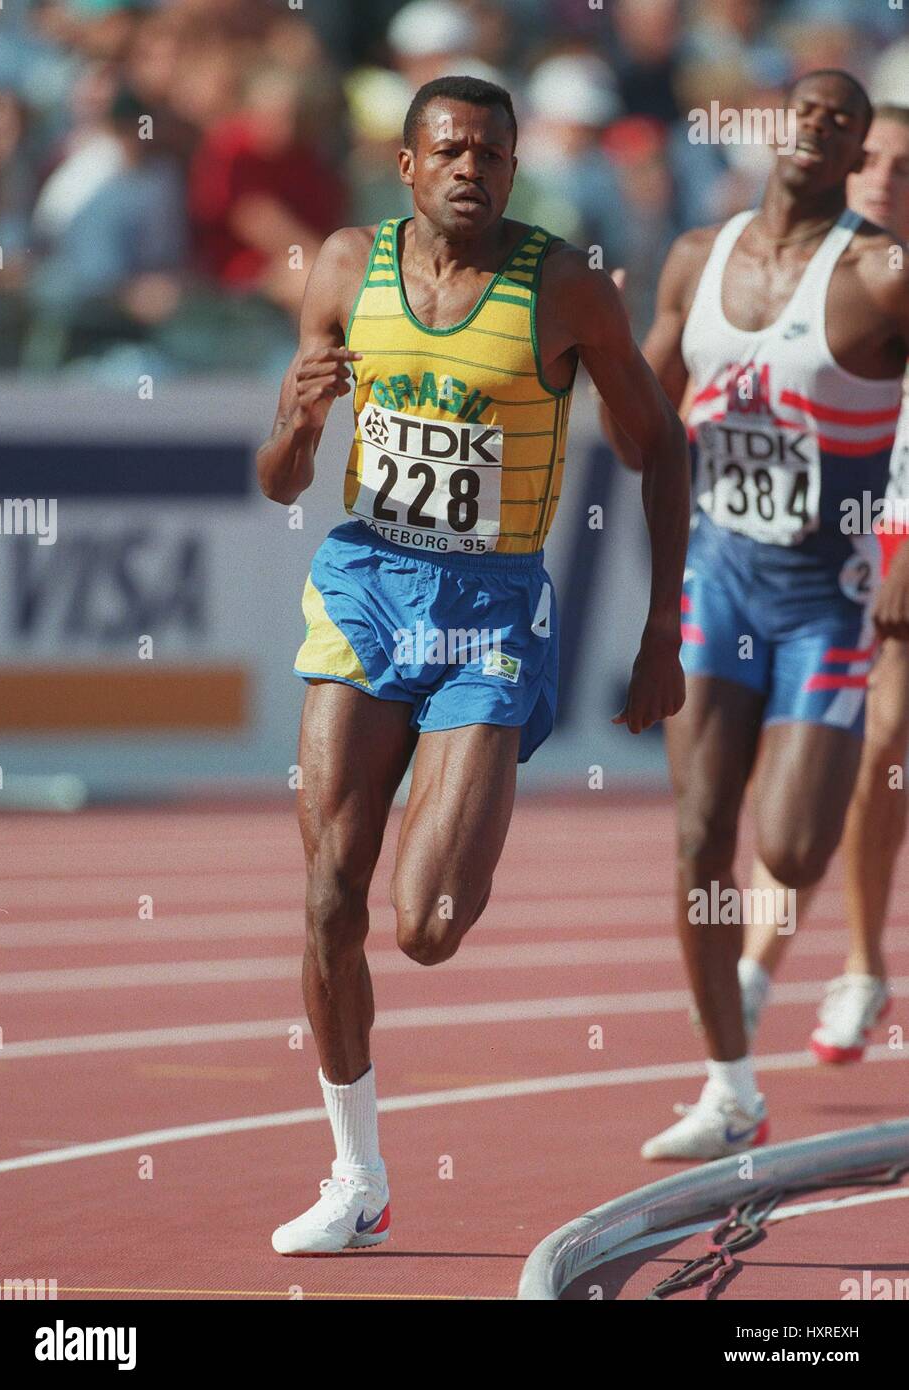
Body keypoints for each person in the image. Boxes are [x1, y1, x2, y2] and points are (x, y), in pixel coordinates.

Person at [257, 74, 688, 1252]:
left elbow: (660, 448)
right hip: (364, 582)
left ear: (513, 168)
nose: (470, 169)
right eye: (449, 150)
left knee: (429, 923)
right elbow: (282, 477)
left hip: (490, 608)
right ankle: (357, 1177)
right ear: (407, 164)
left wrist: (662, 628)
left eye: (492, 154)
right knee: (328, 895)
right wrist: (298, 424)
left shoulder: (565, 287)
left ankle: (470, 779)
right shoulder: (344, 267)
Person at [602, 71, 908, 1161]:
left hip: (826, 599)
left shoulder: (881, 273)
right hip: (718, 581)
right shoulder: (699, 254)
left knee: (789, 842)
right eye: (804, 110)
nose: (817, 127)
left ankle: (821, 970)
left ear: (855, 150)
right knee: (698, 837)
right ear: (774, 127)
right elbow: (638, 424)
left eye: (841, 120)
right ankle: (730, 1087)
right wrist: (595, 363)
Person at [739, 106, 909, 1062]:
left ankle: (851, 965)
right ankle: (768, 969)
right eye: (869, 158)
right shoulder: (802, 267)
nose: (882, 176)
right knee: (814, 753)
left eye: (904, 166)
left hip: (903, 534)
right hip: (818, 536)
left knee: (880, 741)